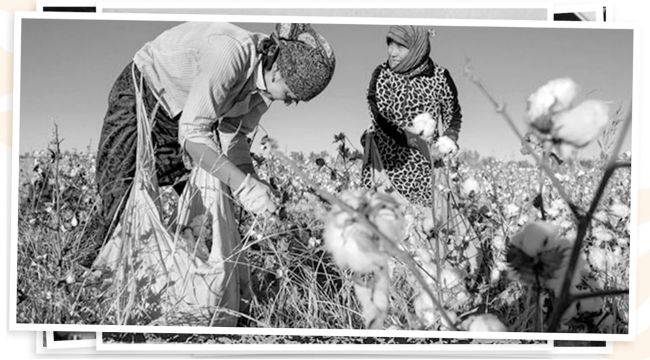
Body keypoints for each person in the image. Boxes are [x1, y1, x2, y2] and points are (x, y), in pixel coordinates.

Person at [80, 22, 335, 324]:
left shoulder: (263, 92)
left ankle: (179, 294)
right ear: (279, 71)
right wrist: (242, 185)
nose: (291, 102)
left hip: (185, 117)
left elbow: (233, 138)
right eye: (292, 94)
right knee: (119, 195)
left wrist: (250, 183)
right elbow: (193, 136)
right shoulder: (230, 53)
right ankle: (80, 286)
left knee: (204, 217)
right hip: (144, 90)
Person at [361, 25, 462, 206]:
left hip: (426, 170)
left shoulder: (439, 77)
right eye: (390, 44)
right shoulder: (383, 74)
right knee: (383, 225)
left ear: (417, 48)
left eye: (400, 47)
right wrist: (409, 137)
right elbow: (379, 114)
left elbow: (452, 114)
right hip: (387, 165)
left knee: (427, 225)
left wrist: (448, 141)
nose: (392, 52)